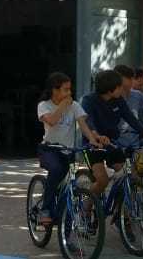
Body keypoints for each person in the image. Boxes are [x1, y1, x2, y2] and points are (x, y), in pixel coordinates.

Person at [36, 72, 107, 226]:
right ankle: (45, 209)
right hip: (49, 149)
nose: (69, 93)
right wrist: (62, 106)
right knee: (56, 170)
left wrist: (93, 140)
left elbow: (83, 125)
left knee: (67, 187)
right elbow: (52, 121)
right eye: (65, 90)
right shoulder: (44, 105)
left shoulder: (74, 105)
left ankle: (65, 228)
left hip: (68, 151)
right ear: (54, 90)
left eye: (70, 89)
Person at [80, 69, 143, 198]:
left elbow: (130, 118)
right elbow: (88, 122)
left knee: (128, 173)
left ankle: (119, 206)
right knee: (102, 180)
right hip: (93, 145)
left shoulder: (118, 100)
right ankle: (86, 206)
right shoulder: (89, 100)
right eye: (119, 87)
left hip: (111, 143)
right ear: (110, 90)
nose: (123, 89)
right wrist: (97, 136)